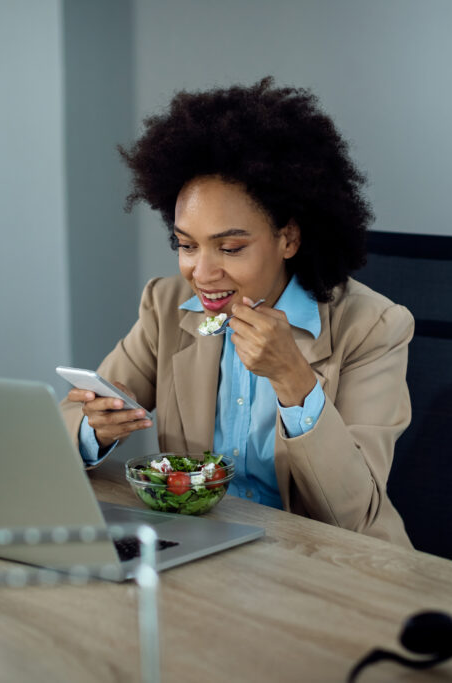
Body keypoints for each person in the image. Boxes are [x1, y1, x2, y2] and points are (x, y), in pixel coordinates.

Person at [62, 77, 414, 548]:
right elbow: (72, 414)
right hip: (209, 554)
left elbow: (352, 513)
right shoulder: (167, 307)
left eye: (229, 247)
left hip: (330, 569)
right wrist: (94, 429)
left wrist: (294, 379)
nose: (201, 272)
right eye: (185, 245)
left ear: (288, 238)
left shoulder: (374, 328)